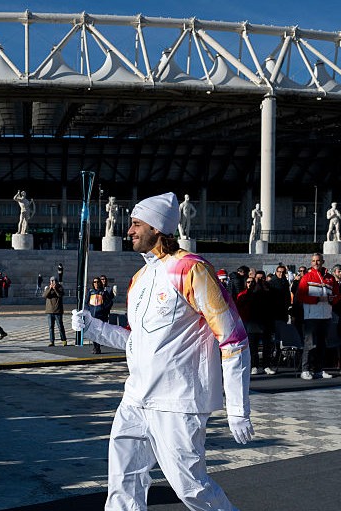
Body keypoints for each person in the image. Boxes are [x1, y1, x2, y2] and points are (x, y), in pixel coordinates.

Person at [71, 191, 253, 511]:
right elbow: (136, 340)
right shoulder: (140, 278)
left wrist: (238, 406)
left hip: (177, 401)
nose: (129, 231)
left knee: (191, 487)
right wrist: (92, 327)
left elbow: (233, 339)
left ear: (157, 228)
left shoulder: (190, 269)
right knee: (122, 482)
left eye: (136, 224)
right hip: (136, 397)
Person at [296, 253, 340, 380]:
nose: (316, 263)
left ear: (323, 261)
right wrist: (318, 299)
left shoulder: (330, 278)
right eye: (314, 261)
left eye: (318, 260)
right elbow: (301, 296)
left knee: (322, 344)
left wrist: (333, 299)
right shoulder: (307, 277)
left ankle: (318, 370)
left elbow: (337, 295)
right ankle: (305, 369)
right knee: (309, 344)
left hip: (326, 315)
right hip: (311, 316)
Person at [85, 277, 114, 354]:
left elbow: (110, 302)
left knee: (99, 332)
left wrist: (104, 309)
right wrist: (89, 310)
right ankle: (95, 347)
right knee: (93, 332)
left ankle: (97, 347)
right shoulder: (91, 292)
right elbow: (86, 303)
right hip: (92, 316)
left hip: (101, 316)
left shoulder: (103, 292)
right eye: (94, 282)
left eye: (97, 282)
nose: (96, 283)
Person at [44, 277, 67, 347]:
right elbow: (45, 295)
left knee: (60, 326)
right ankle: (52, 341)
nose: (52, 282)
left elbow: (60, 295)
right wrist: (50, 288)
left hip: (58, 310)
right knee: (51, 327)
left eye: (54, 281)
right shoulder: (47, 288)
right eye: (51, 281)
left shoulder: (60, 288)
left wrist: (55, 289)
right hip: (49, 311)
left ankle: (64, 340)